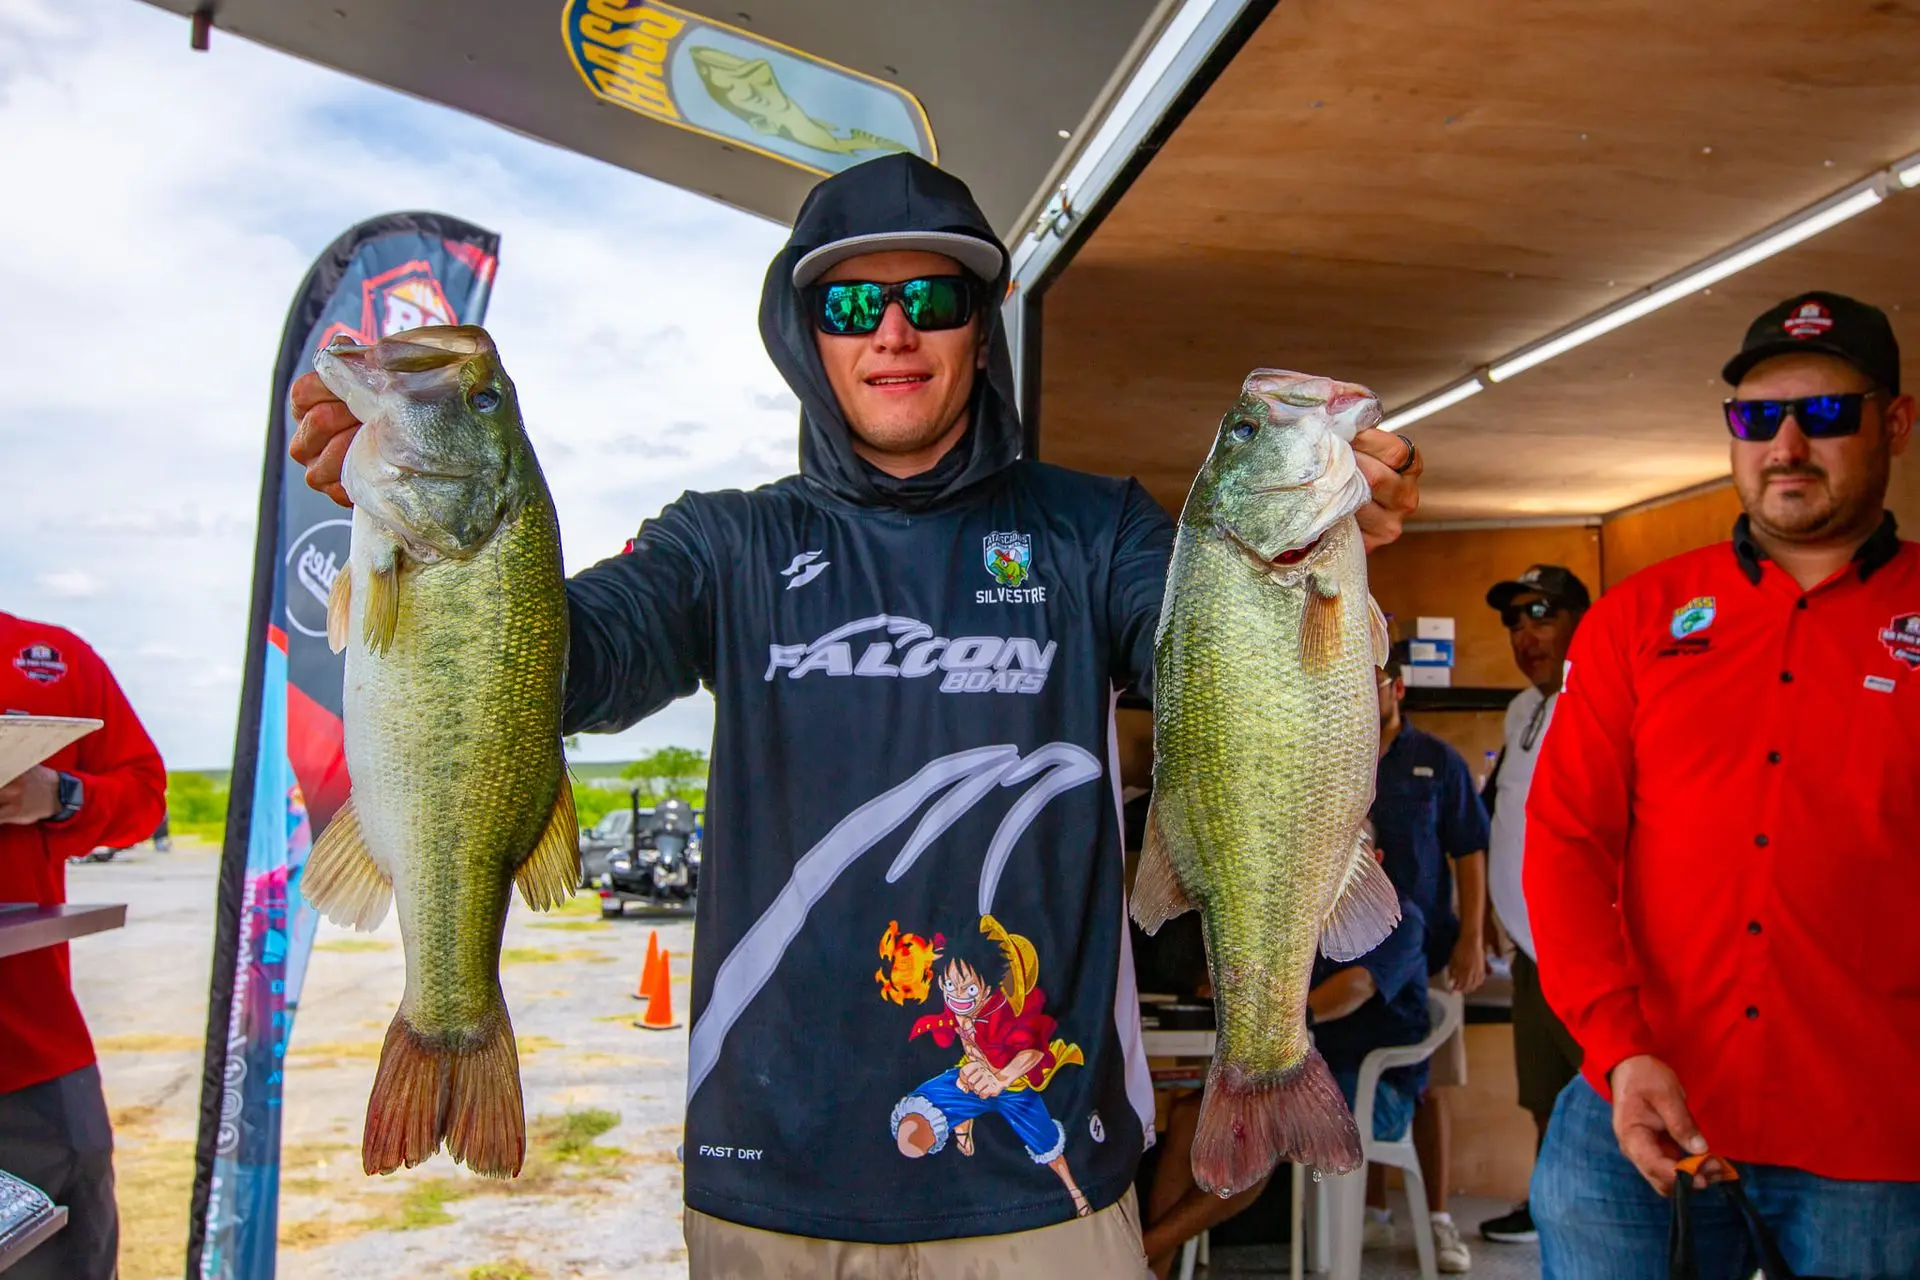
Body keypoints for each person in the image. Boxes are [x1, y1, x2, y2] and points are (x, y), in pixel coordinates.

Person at [290, 153, 1424, 1273]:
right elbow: (565, 666)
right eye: (849, 304)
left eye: (931, 299)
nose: (892, 331)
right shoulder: (725, 542)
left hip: (1044, 1184)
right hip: (771, 1181)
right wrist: (429, 545)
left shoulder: (1101, 531)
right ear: (807, 336)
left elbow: (1225, 681)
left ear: (981, 328)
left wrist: (1322, 551)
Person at [1526, 291, 1920, 1279]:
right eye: (1756, 417)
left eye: (1824, 413)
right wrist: (1618, 1049)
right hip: (1633, 1112)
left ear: (1895, 423)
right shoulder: (1637, 617)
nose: (1787, 445)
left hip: (1876, 1144)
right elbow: (1566, 842)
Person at [1140, 841, 1431, 1278]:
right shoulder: (1301, 914)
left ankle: (1140, 1253)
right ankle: (1153, 1269)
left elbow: (1356, 987)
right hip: (1294, 1075)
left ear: (1372, 860)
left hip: (1374, 1092)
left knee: (1262, 1128)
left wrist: (1281, 1017)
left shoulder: (1401, 918)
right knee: (1187, 1117)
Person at [0, 611, 168, 1280]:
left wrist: (60, 795)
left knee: (64, 1253)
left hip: (28, 1054)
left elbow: (145, 796)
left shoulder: (50, 658)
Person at [1473, 562, 1590, 1246]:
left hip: (1581, 945)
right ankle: (1547, 1203)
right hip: (1527, 944)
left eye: (1542, 613)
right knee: (1542, 1092)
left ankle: (1612, 1217)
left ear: (1581, 619)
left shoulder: (1599, 694)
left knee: (1599, 1090)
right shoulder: (1522, 708)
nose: (1525, 633)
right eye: (1513, 620)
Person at [1368, 645, 1489, 1271]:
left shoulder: (1438, 761)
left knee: (1430, 1084)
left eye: (1375, 681)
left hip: (1431, 952)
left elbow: (1469, 852)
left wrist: (1472, 938)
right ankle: (1372, 1211)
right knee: (1360, 1073)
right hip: (1351, 959)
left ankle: (1438, 1219)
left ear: (1399, 687)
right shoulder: (1334, 756)